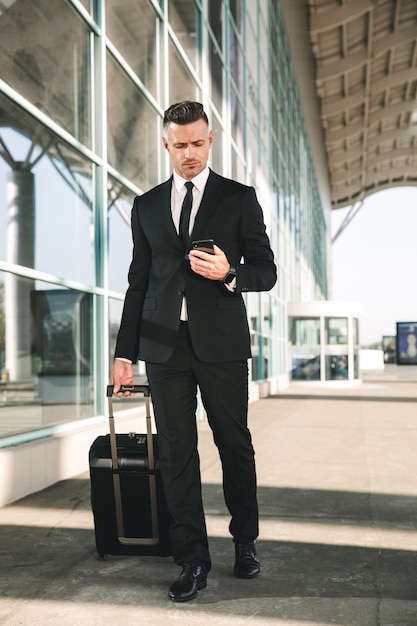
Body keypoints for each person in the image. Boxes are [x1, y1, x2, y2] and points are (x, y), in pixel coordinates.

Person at [110, 101, 277, 602]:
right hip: (164, 348)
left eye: (198, 143)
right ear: (166, 145)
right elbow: (138, 284)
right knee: (177, 452)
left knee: (233, 444)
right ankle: (192, 560)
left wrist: (229, 274)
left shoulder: (239, 198)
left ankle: (245, 540)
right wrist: (125, 353)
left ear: (210, 141)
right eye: (179, 144)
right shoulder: (145, 205)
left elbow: (265, 272)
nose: (190, 153)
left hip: (221, 345)